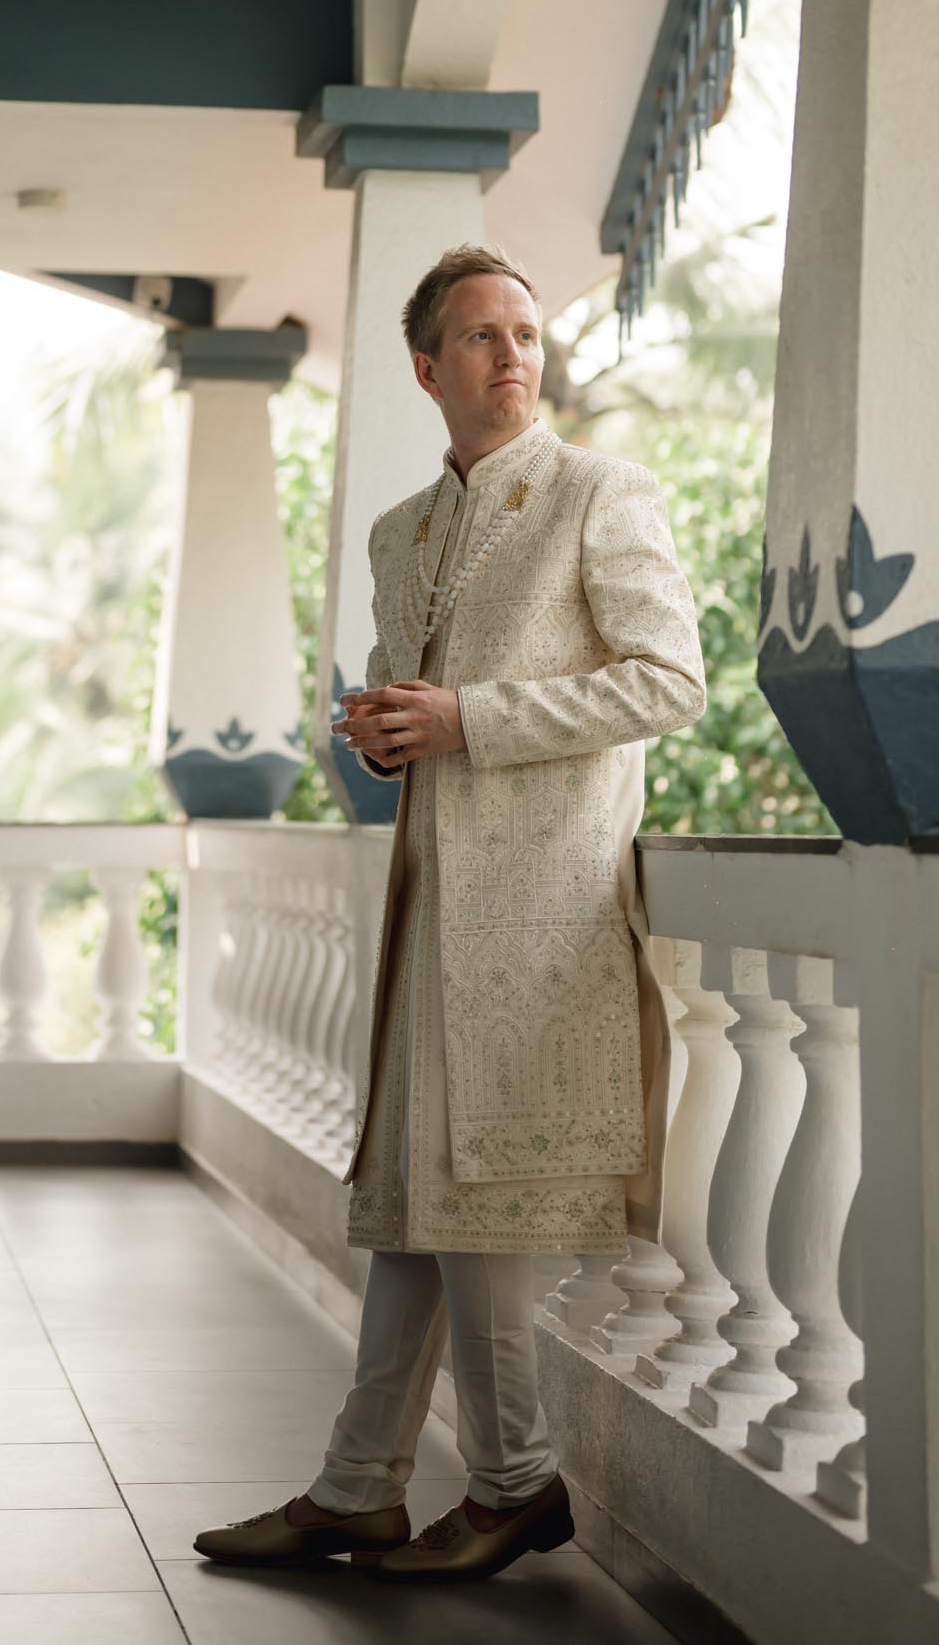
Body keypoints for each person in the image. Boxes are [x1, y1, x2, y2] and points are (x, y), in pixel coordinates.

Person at [194, 244, 705, 1583]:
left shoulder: (600, 494)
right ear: (429, 369)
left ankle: (512, 1484)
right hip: (432, 908)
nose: (512, 354)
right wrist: (384, 732)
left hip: (544, 914)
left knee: (475, 1205)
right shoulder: (401, 534)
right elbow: (406, 699)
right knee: (417, 1201)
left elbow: (669, 682)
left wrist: (470, 719)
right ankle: (358, 1487)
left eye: (525, 332)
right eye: (481, 336)